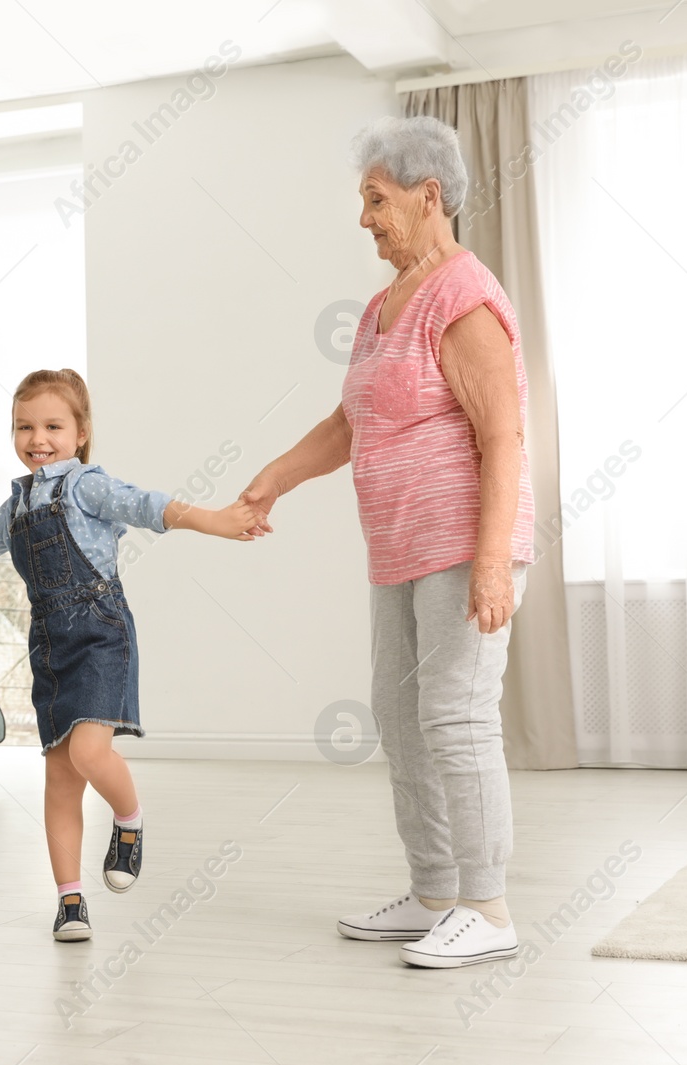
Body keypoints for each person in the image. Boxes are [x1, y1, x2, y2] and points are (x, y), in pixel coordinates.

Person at [240, 115, 536, 969]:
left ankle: (488, 906)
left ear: (427, 195)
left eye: (375, 199)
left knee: (457, 714)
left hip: (461, 541)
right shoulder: (382, 306)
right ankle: (434, 890)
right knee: (402, 719)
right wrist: (274, 478)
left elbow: (505, 437)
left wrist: (490, 563)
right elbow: (349, 422)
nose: (364, 217)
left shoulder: (464, 294)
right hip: (398, 546)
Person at [0, 368, 258, 941]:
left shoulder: (86, 486)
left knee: (92, 754)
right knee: (60, 776)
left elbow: (148, 506)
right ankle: (70, 901)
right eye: (24, 426)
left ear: (81, 432)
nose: (37, 438)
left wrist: (216, 521)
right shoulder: (16, 505)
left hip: (99, 635)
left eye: (52, 425)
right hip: (49, 644)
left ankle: (129, 821)